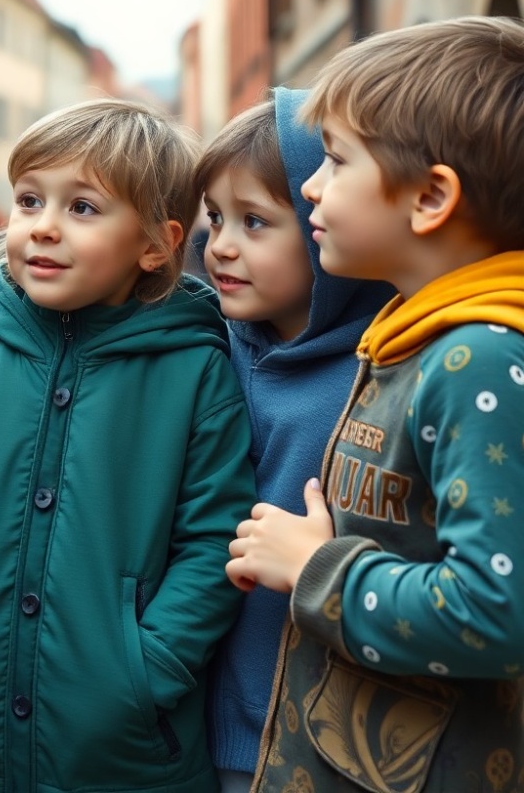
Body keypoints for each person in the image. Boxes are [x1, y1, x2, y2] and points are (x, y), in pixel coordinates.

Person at [0, 98, 257, 793]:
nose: (43, 228)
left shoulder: (196, 373)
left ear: (156, 243)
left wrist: (147, 668)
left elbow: (215, 541)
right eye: (28, 200)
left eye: (82, 208)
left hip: (126, 758)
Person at [227, 16, 524, 792]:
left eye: (335, 158)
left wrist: (315, 567)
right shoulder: (418, 335)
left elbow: (496, 611)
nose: (313, 186)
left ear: (429, 197)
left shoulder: (478, 356)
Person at [189, 87, 393, 793]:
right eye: (214, 218)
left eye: (254, 221)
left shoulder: (377, 370)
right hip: (191, 723)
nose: (220, 245)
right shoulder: (205, 347)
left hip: (321, 736)